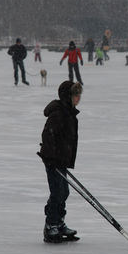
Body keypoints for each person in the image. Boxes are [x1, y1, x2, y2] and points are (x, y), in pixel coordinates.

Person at [37, 81, 83, 243]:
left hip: (61, 159)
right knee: (57, 192)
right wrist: (51, 158)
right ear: (67, 96)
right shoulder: (58, 113)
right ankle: (51, 225)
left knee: (64, 192)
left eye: (79, 95)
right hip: (53, 160)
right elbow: (48, 135)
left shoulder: (68, 112)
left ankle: (58, 222)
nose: (78, 98)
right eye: (76, 95)